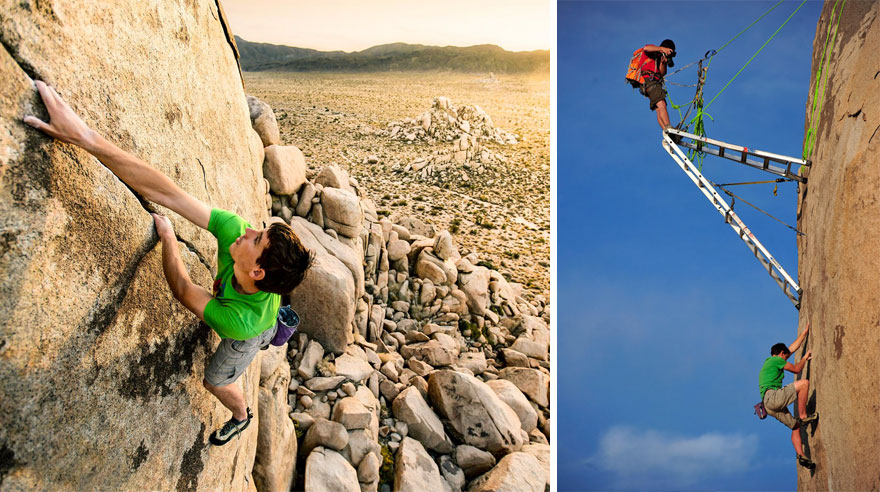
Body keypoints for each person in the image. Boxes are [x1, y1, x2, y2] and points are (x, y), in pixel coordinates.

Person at [23, 80, 314, 446]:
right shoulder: (233, 232)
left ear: (258, 270)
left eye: (257, 238)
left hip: (252, 330)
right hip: (254, 303)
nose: (249, 229)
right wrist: (85, 137)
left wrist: (169, 240)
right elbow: (165, 192)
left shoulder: (239, 323)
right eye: (259, 230)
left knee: (215, 380)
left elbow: (181, 289)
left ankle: (242, 416)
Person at [758, 322, 819, 468]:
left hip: (768, 406)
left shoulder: (771, 361)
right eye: (785, 357)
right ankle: (804, 416)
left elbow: (790, 349)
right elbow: (797, 369)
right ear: (780, 354)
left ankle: (801, 455)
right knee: (804, 384)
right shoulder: (777, 360)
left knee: (795, 427)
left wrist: (804, 333)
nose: (786, 360)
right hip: (773, 397)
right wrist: (805, 358)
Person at [640, 39, 676, 130]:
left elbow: (662, 73)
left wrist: (663, 63)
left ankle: (666, 131)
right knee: (661, 104)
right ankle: (669, 127)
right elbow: (646, 48)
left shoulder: (660, 58)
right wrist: (662, 49)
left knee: (658, 108)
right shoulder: (653, 49)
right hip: (649, 80)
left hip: (654, 82)